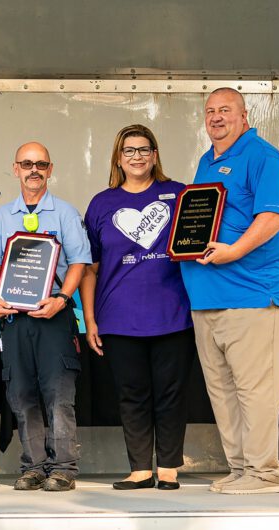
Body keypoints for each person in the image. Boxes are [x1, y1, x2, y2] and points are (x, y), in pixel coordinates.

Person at [181, 88, 279, 495]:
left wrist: (235, 251)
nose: (216, 117)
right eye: (210, 111)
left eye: (225, 110)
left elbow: (273, 216)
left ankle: (264, 473)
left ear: (244, 115)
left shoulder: (262, 156)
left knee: (255, 391)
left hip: (254, 294)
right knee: (223, 392)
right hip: (207, 298)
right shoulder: (206, 161)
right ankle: (242, 467)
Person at [79, 124, 193, 491]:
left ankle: (169, 468)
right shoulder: (101, 204)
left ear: (155, 155)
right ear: (118, 158)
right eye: (129, 150)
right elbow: (90, 268)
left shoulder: (180, 195)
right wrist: (90, 319)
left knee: (171, 394)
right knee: (132, 395)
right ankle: (141, 469)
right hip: (118, 316)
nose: (137, 156)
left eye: (144, 149)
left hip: (173, 312)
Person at [0, 142, 92, 492]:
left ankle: (63, 468)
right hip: (15, 320)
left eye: (41, 164)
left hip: (54, 317)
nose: (34, 170)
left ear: (50, 169)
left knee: (59, 395)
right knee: (21, 394)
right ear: (15, 168)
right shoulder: (1, 217)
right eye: (27, 164)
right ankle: (33, 467)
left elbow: (79, 263)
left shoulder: (65, 213)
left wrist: (62, 298)